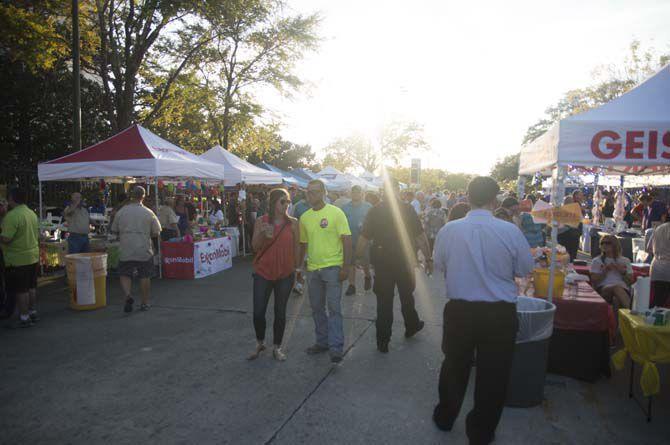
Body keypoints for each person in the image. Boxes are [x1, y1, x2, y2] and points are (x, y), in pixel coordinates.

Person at [432, 177, 534, 444]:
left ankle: (445, 417)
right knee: (494, 374)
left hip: (460, 311)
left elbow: (439, 264)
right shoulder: (510, 231)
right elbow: (524, 269)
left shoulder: (449, 230)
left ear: (467, 197)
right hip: (498, 314)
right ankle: (481, 432)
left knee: (454, 365)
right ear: (494, 199)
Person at [357, 178, 430, 353]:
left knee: (384, 301)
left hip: (382, 262)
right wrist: (429, 258)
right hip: (404, 261)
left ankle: (383, 341)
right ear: (398, 191)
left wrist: (358, 257)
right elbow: (420, 236)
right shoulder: (407, 209)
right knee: (406, 296)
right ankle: (411, 326)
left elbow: (364, 237)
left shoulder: (375, 211)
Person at [298, 179, 352, 364]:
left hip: (333, 269)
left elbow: (346, 240)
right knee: (316, 309)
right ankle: (322, 342)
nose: (310, 195)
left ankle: (336, 349)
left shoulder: (336, 213)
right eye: (308, 192)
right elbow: (303, 244)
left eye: (314, 191)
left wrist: (346, 267)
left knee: (334, 309)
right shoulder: (304, 217)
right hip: (313, 270)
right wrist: (299, 268)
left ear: (323, 193)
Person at [248, 188, 300, 362]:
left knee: (280, 312)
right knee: (258, 312)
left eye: (288, 202)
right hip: (263, 272)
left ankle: (277, 347)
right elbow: (255, 247)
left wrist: (297, 269)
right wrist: (263, 233)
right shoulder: (262, 221)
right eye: (282, 201)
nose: (286, 205)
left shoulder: (293, 223)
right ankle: (260, 342)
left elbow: (297, 247)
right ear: (273, 203)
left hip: (285, 273)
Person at [111, 186, 161, 313]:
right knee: (145, 275)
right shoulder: (149, 213)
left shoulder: (121, 211)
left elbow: (114, 230)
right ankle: (144, 303)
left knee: (124, 273)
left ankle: (128, 294)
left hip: (126, 247)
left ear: (132, 196)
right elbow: (156, 232)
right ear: (143, 197)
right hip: (143, 248)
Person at [1, 188, 40, 328]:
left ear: (12, 198)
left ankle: (24, 318)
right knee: (31, 287)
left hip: (17, 259)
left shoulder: (12, 216)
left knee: (21, 290)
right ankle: (32, 312)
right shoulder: (31, 213)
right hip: (32, 256)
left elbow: (6, 239)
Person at [341, 186, 373, 296]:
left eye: (358, 192)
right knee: (351, 262)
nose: (355, 194)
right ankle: (352, 285)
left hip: (363, 240)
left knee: (365, 261)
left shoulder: (368, 207)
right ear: (350, 193)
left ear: (362, 194)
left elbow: (373, 223)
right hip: (349, 240)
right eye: (353, 192)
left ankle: (367, 276)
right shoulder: (345, 208)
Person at [590, 234, 633, 314]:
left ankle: (616, 325)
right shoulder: (597, 261)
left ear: (615, 244)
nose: (604, 245)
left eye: (607, 243)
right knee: (616, 288)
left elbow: (630, 282)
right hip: (603, 289)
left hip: (622, 290)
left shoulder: (625, 261)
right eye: (602, 243)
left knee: (616, 300)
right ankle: (632, 313)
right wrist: (604, 272)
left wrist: (622, 272)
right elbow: (593, 281)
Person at [649, 221, 670, 307]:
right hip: (667, 269)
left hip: (656, 267)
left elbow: (648, 248)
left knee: (657, 301)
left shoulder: (659, 228)